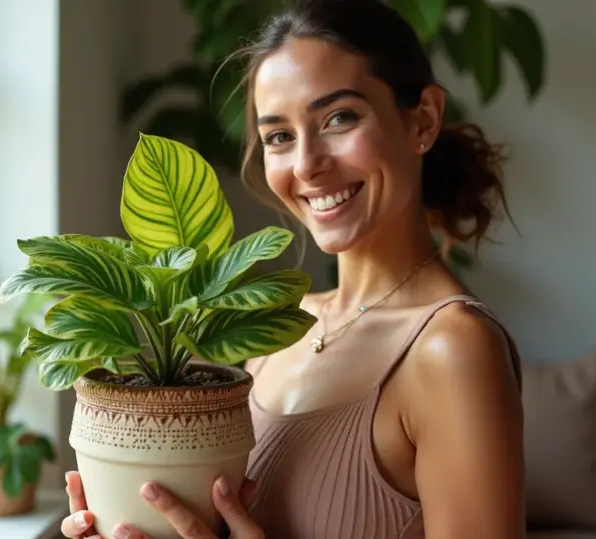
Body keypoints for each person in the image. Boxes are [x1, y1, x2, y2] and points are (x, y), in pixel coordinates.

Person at [61, 0, 525, 537]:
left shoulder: (454, 349)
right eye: (279, 136)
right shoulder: (277, 327)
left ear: (422, 121)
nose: (306, 164)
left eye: (339, 118)